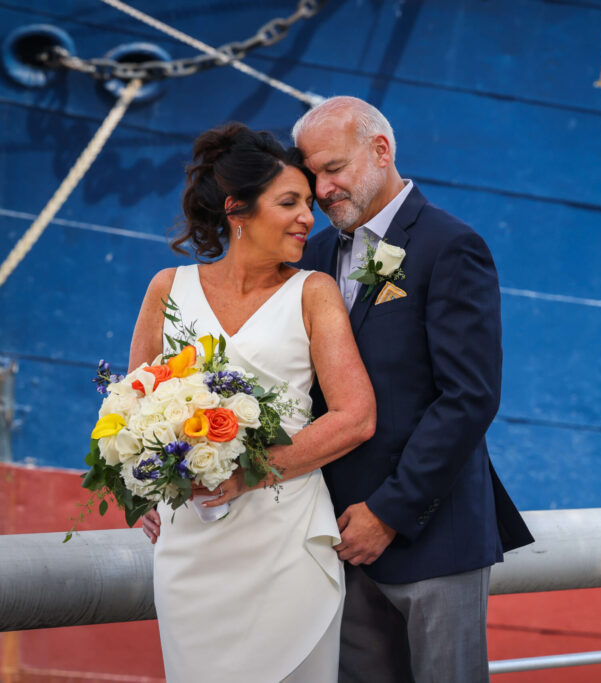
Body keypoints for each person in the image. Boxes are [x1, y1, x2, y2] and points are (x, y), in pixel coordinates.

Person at [291, 96, 534, 682]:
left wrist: (389, 512)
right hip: (335, 542)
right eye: (311, 175)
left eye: (334, 169)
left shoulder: (451, 246)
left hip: (433, 536)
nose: (321, 190)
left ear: (381, 151)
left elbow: (469, 397)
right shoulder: (314, 255)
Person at [133, 122, 375, 682]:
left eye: (309, 204)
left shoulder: (313, 292)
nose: (308, 219)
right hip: (190, 546)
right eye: (289, 202)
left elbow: (356, 417)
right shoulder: (167, 289)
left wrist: (247, 474)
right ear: (237, 210)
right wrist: (137, 483)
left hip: (283, 540)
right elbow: (134, 405)